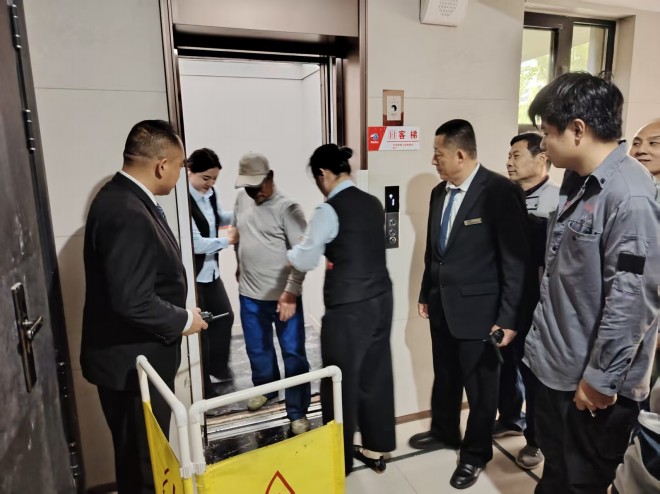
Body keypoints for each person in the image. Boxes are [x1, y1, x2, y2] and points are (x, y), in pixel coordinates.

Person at [523, 72, 660, 494]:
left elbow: (632, 301)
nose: (542, 144)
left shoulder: (630, 197)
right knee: (556, 473)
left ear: (578, 129)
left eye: (547, 132)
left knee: (580, 482)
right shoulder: (577, 178)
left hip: (590, 386)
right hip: (556, 365)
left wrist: (600, 380)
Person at [81, 120, 207, 493]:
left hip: (132, 361)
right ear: (162, 165)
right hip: (131, 367)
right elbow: (132, 300)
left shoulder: (123, 199)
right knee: (144, 467)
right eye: (180, 166)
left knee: (142, 460)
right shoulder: (126, 211)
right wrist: (183, 320)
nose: (180, 176)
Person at [410, 119, 531, 490]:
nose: (434, 160)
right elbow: (435, 251)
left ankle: (475, 454)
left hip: (481, 314)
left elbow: (516, 262)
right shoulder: (438, 193)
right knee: (445, 376)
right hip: (441, 306)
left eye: (438, 154)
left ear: (460, 154)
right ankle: (444, 431)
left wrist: (508, 318)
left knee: (481, 390)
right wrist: (426, 292)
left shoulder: (500, 191)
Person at [287, 144, 396, 476]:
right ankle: (376, 447)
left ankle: (339, 459)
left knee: (338, 381)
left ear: (323, 174)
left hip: (349, 307)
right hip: (381, 299)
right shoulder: (373, 203)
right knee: (376, 374)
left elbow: (306, 259)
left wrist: (294, 249)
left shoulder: (328, 210)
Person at [231, 152, 311, 435]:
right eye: (248, 187)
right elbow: (239, 236)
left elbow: (303, 255)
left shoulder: (288, 208)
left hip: (283, 298)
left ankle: (297, 410)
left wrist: (291, 293)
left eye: (257, 186)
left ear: (270, 177)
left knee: (293, 353)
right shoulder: (242, 200)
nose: (254, 193)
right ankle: (266, 388)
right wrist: (239, 264)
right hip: (250, 294)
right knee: (257, 348)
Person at [497, 132, 560, 470]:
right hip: (507, 300)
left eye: (517, 155)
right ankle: (510, 418)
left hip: (538, 304)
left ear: (542, 158)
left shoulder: (556, 200)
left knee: (533, 374)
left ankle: (535, 441)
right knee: (504, 364)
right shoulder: (505, 197)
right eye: (509, 155)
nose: (509, 162)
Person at [187, 148, 236, 399]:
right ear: (190, 171)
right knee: (202, 331)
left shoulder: (210, 194)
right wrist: (229, 240)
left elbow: (218, 218)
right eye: (206, 178)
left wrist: (244, 213)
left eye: (214, 179)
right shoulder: (183, 202)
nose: (210, 183)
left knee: (225, 317)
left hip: (211, 272)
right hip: (195, 278)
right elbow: (196, 244)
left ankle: (218, 366)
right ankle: (205, 386)